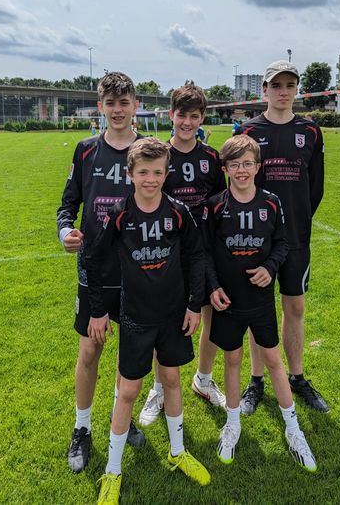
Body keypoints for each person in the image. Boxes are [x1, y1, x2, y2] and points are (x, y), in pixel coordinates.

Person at [85, 138, 211, 504]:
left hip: (172, 316)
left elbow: (197, 255)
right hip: (136, 318)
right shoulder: (119, 214)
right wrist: (98, 310)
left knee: (171, 379)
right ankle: (112, 471)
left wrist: (194, 305)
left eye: (157, 172)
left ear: (166, 173)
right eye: (143, 172)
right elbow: (94, 259)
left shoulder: (177, 212)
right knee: (128, 391)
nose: (150, 179)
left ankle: (177, 452)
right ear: (130, 174)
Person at [203, 135, 317, 471]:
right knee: (233, 359)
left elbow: (282, 244)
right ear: (225, 169)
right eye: (234, 164)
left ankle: (293, 428)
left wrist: (269, 268)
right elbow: (205, 253)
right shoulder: (215, 206)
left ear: (258, 166)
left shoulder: (271, 202)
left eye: (247, 163)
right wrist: (213, 287)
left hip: (260, 301)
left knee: (273, 359)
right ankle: (232, 423)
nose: (241, 170)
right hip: (227, 301)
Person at [56, 72, 146, 474]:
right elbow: (68, 205)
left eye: (124, 102)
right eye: (111, 103)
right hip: (94, 268)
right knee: (90, 350)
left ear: (136, 105)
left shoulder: (148, 150)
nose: (118, 110)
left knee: (130, 351)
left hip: (138, 269)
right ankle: (82, 427)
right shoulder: (86, 150)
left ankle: (120, 416)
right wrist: (65, 232)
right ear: (100, 107)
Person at [235, 60, 328, 413]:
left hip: (296, 238)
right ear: (265, 90)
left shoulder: (311, 130)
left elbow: (315, 187)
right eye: (276, 85)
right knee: (257, 307)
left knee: (295, 306)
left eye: (290, 85)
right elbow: (239, 183)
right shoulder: (247, 131)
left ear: (296, 89)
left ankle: (297, 377)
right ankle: (256, 381)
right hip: (256, 239)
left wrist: (297, 219)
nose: (283, 92)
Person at [139, 85, 227, 426]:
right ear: (170, 115)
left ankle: (203, 378)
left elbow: (220, 203)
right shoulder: (159, 156)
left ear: (202, 118)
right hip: (169, 251)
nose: (187, 122)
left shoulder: (211, 158)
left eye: (194, 116)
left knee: (210, 313)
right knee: (166, 319)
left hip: (205, 250)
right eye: (181, 115)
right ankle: (159, 388)